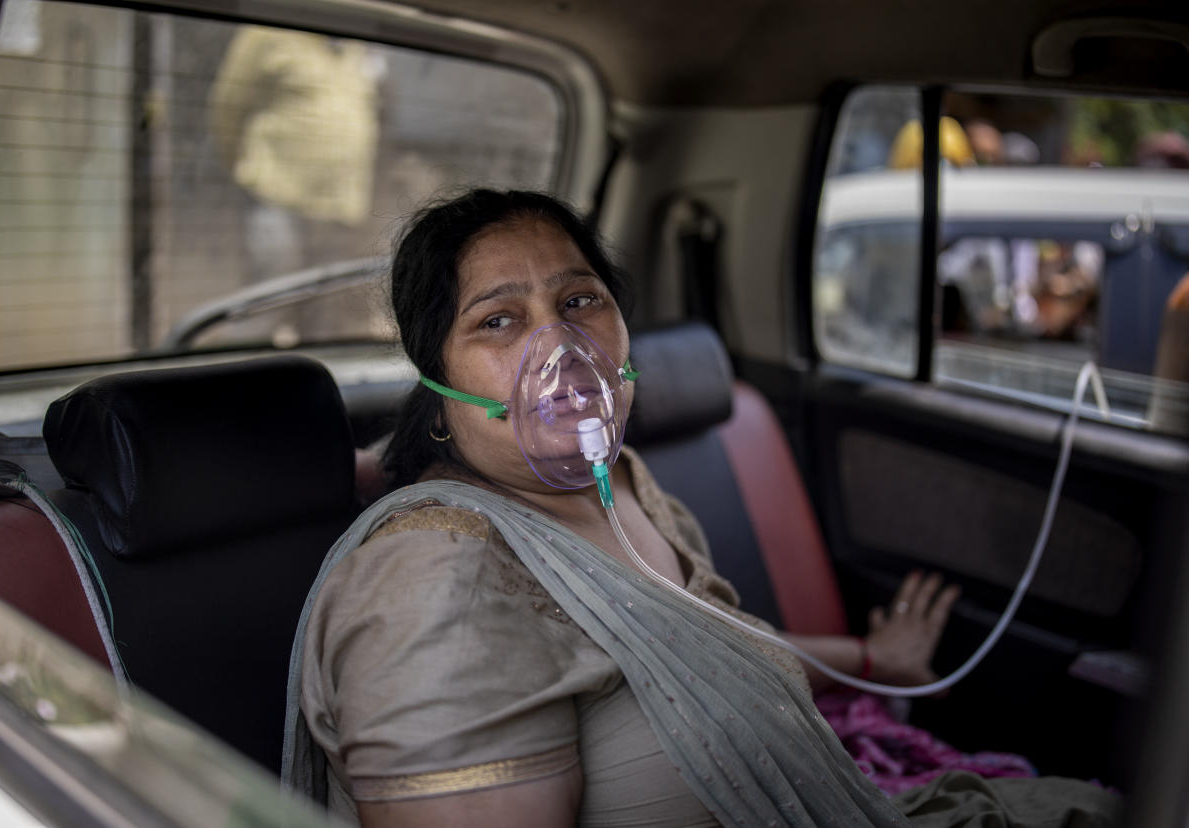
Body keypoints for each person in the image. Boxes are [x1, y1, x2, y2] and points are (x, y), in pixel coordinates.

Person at [282, 189, 1120, 827]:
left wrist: (871, 656)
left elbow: (700, 650)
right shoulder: (437, 585)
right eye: (499, 321)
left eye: (579, 303)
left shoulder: (626, 487)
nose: (562, 354)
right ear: (438, 395)